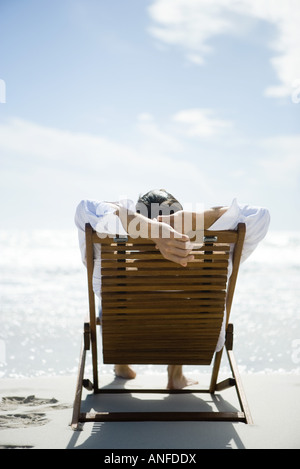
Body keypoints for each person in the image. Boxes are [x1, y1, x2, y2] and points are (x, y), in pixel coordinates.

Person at [75, 189, 270, 389]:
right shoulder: (212, 261)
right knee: (186, 299)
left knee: (113, 297)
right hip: (188, 336)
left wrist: (148, 228)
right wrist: (197, 219)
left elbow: (86, 208)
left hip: (125, 337)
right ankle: (176, 376)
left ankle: (122, 365)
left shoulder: (107, 257)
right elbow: (260, 215)